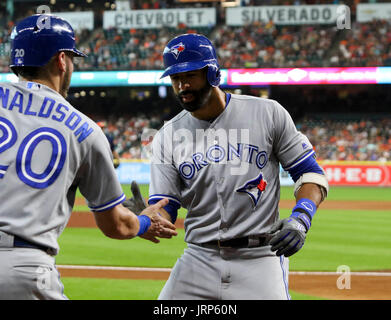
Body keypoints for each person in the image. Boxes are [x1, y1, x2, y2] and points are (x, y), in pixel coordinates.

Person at [125, 33, 329, 300]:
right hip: (199, 258)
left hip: (260, 258)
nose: (182, 85)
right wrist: (145, 220)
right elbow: (166, 209)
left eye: (190, 76)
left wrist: (301, 219)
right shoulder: (167, 135)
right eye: (175, 79)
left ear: (212, 73)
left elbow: (310, 173)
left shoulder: (267, 113)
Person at [0, 14, 177, 300]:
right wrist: (143, 222)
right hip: (23, 268)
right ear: (61, 60)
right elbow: (116, 225)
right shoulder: (84, 129)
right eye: (72, 58)